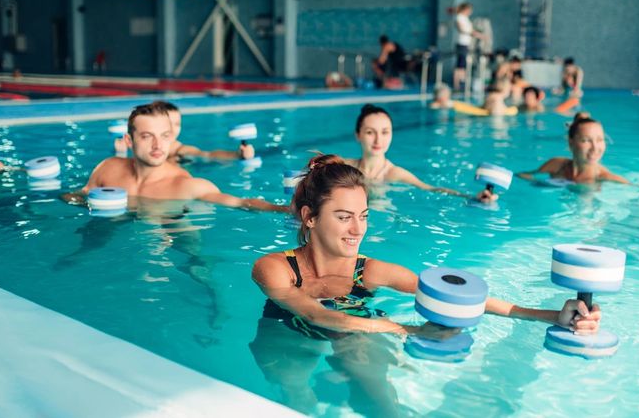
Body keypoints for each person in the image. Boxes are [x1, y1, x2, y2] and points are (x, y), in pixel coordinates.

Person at [250, 155, 600, 413]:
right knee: (296, 396)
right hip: (287, 336)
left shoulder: (368, 271)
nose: (358, 229)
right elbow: (316, 315)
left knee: (385, 403)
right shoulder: (275, 268)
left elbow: (455, 297)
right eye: (343, 218)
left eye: (363, 216)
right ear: (310, 218)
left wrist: (553, 316)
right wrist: (408, 330)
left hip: (357, 333)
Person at [66, 102, 287, 212]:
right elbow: (78, 196)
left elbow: (240, 202)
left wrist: (283, 210)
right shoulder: (107, 169)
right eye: (146, 136)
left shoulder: (186, 185)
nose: (157, 145)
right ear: (129, 140)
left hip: (171, 230)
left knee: (194, 267)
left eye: (164, 136)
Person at [345, 104, 494, 201]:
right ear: (358, 135)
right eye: (370, 132)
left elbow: (431, 189)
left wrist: (473, 197)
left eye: (385, 132)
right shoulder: (345, 166)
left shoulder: (394, 174)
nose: (378, 140)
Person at [518, 115, 639, 192]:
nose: (596, 148)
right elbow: (523, 175)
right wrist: (541, 184)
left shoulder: (602, 176)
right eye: (587, 140)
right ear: (571, 143)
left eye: (600, 140)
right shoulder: (556, 165)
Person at [114, 101, 254, 162]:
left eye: (177, 124)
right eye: (169, 124)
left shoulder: (181, 150)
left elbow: (208, 155)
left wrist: (237, 155)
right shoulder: (139, 147)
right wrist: (121, 153)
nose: (173, 129)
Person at [451, 2, 486, 91]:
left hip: (466, 43)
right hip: (461, 43)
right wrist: (478, 35)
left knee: (463, 64)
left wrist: (477, 34)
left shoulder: (465, 18)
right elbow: (463, 30)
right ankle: (457, 85)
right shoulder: (459, 17)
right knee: (460, 65)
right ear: (466, 9)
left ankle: (462, 82)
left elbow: (470, 30)